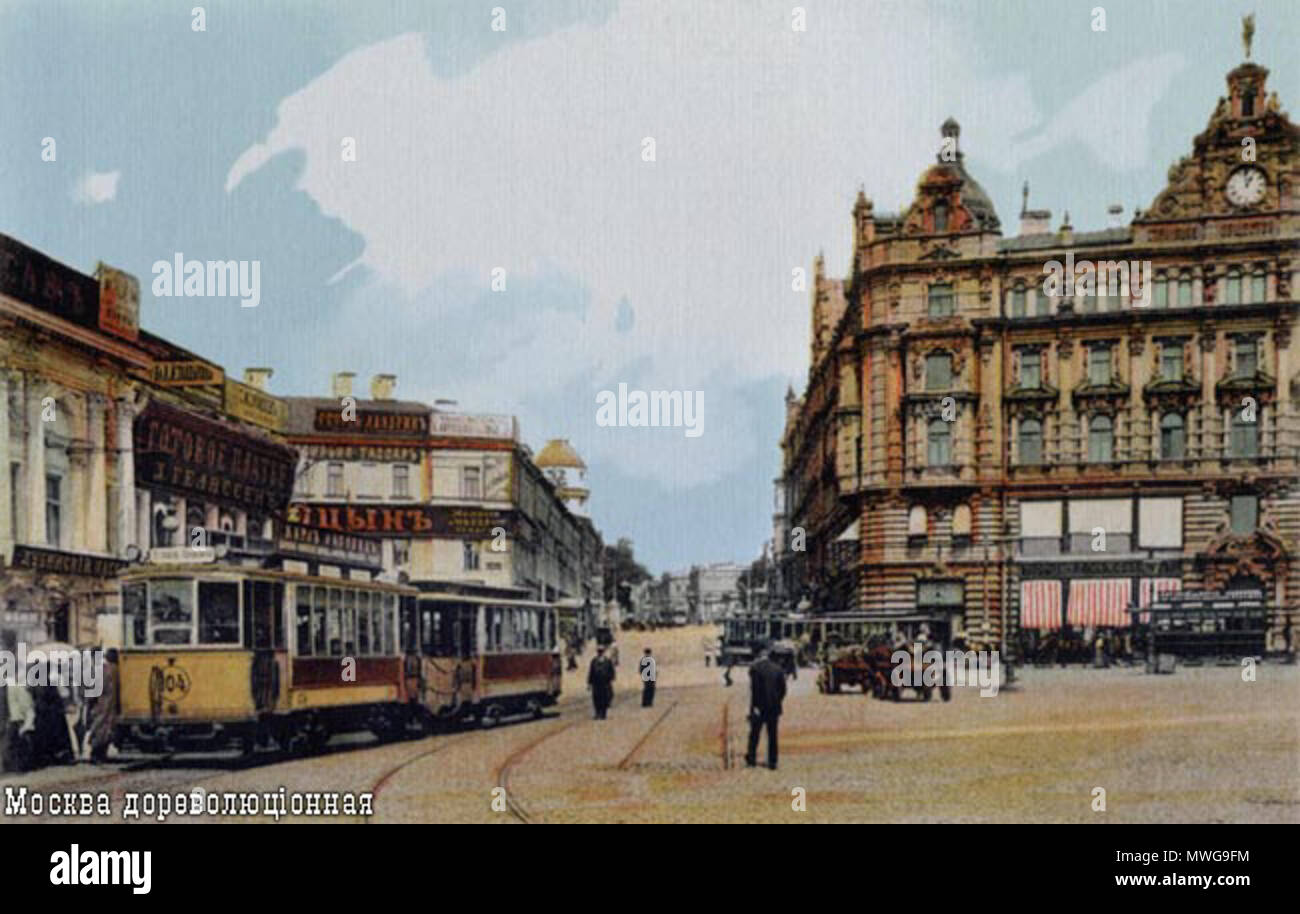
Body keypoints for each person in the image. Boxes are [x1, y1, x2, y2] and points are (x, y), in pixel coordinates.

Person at [745, 643, 786, 770]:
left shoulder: (755, 669)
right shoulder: (778, 669)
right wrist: (777, 701)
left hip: (760, 707)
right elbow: (783, 689)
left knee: (755, 734)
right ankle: (772, 761)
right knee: (772, 735)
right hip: (774, 707)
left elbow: (755, 690)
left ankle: (751, 759)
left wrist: (754, 707)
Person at [86, 649, 119, 764]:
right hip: (111, 704)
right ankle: (100, 754)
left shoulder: (101, 670)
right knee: (106, 729)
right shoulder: (116, 670)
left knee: (99, 729)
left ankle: (96, 754)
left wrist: (90, 703)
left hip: (101, 704)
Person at [587, 645, 615, 719]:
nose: (600, 652)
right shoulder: (594, 661)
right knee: (596, 698)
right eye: (599, 651)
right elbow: (591, 672)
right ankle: (597, 713)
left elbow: (611, 671)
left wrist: (610, 679)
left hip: (605, 683)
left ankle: (603, 713)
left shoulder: (607, 661)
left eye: (601, 651)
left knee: (604, 698)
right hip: (596, 683)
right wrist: (589, 683)